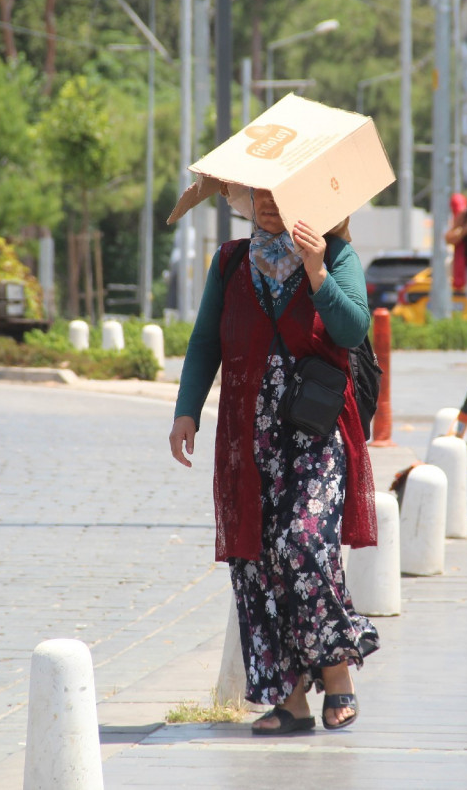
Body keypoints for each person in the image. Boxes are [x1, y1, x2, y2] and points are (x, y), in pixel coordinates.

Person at [168, 187, 379, 736]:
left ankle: (337, 678)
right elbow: (205, 341)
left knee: (303, 544)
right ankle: (291, 703)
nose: (268, 203)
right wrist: (186, 410)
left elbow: (352, 329)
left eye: (282, 193)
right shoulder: (231, 261)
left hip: (315, 433)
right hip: (248, 436)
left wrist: (315, 268)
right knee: (257, 560)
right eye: (260, 192)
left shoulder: (336, 256)